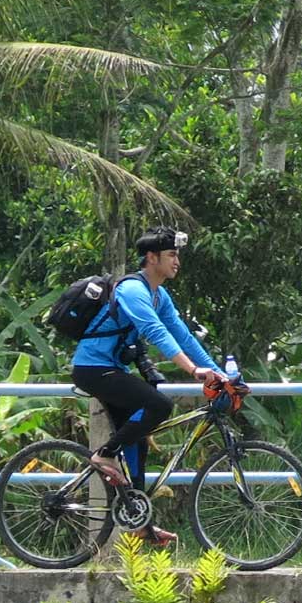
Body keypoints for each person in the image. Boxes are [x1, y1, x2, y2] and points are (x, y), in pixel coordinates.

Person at [71, 226, 224, 546]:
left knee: (137, 439)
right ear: (151, 258)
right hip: (93, 369)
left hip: (112, 369)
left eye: (177, 255)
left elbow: (182, 335)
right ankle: (104, 454)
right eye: (171, 255)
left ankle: (140, 522)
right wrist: (193, 370)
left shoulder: (159, 295)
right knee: (159, 405)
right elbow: (154, 332)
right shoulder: (132, 290)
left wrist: (219, 374)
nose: (177, 261)